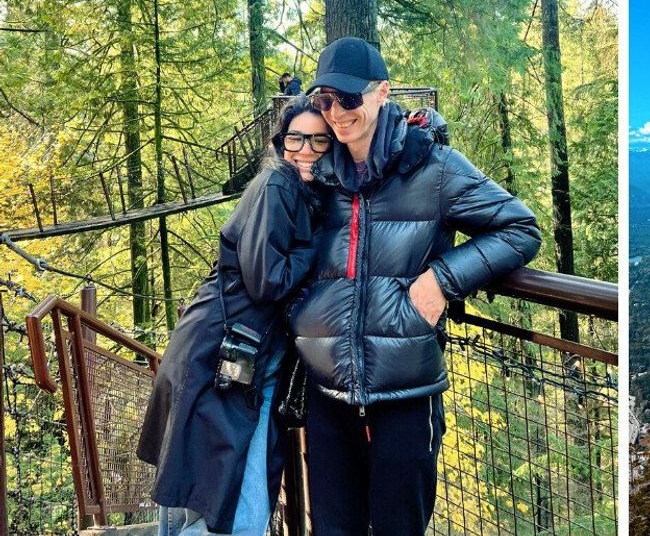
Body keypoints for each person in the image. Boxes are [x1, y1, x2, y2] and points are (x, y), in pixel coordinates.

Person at [289, 36, 542, 534]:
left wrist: (443, 280)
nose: (337, 113)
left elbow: (520, 229)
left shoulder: (436, 168)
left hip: (405, 390)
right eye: (324, 100)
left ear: (382, 92)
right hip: (326, 390)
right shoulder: (312, 175)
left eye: (349, 98)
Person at [137, 96, 334, 535]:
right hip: (224, 352)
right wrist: (314, 252)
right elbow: (267, 281)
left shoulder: (302, 194)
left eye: (320, 141)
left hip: (231, 351)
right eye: (297, 139)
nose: (306, 150)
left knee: (211, 486)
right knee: (233, 494)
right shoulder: (276, 186)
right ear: (281, 142)